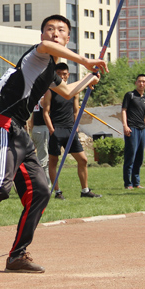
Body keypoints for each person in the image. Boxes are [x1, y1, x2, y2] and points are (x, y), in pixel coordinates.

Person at [0, 14, 107, 273]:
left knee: (40, 191)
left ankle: (17, 255)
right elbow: (49, 48)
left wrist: (89, 80)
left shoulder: (49, 69)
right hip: (3, 125)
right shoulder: (37, 55)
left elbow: (68, 91)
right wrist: (85, 61)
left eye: (60, 30)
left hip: (19, 133)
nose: (54, 33)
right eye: (49, 29)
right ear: (42, 36)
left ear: (68, 37)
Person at [42, 62, 101, 200]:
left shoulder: (73, 91)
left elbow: (76, 111)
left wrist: (76, 126)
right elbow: (45, 112)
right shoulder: (50, 91)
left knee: (83, 160)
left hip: (70, 130)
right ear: (55, 76)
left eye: (64, 74)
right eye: (59, 75)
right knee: (53, 162)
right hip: (57, 130)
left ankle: (85, 190)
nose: (62, 77)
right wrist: (52, 130)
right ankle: (57, 192)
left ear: (68, 75)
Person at [121, 74, 145, 189]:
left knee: (139, 157)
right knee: (130, 156)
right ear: (136, 83)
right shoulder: (130, 95)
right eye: (139, 81)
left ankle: (136, 182)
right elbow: (124, 110)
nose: (141, 83)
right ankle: (128, 183)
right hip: (132, 128)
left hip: (142, 130)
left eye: (144, 82)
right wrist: (125, 125)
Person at [27, 96, 51, 188]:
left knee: (42, 157)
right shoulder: (44, 100)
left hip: (36, 129)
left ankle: (45, 182)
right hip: (43, 129)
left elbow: (33, 117)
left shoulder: (36, 99)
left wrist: (33, 130)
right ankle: (42, 183)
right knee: (43, 159)